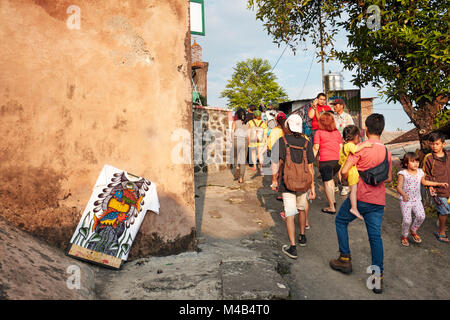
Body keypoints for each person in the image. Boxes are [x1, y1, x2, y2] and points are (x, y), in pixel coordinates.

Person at [329, 113, 392, 294]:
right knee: (375, 238)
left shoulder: (361, 149)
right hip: (378, 201)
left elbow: (345, 171)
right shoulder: (386, 151)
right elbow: (388, 178)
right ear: (382, 130)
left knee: (341, 221)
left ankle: (345, 258)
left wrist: (354, 177)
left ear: (366, 129)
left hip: (360, 197)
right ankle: (376, 278)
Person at [272, 114, 316, 258]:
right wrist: (313, 187)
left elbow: (276, 163)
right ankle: (302, 236)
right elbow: (310, 167)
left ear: (288, 126)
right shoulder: (307, 143)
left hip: (287, 182)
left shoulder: (281, 141)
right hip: (304, 183)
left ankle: (292, 247)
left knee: (290, 212)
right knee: (302, 209)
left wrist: (274, 179)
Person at [397, 152, 448, 246]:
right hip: (405, 201)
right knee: (407, 220)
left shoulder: (420, 172)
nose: (416, 163)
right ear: (406, 163)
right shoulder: (403, 173)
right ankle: (404, 236)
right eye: (412, 162)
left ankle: (413, 230)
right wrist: (403, 194)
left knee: (421, 216)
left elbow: (424, 182)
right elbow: (399, 187)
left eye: (417, 161)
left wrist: (438, 184)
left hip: (417, 200)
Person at [338, 125, 373, 220]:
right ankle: (354, 208)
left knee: (354, 189)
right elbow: (356, 150)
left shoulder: (343, 146)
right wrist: (365, 145)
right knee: (353, 190)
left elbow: (341, 162)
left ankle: (354, 206)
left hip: (346, 170)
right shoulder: (350, 145)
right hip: (352, 170)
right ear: (355, 136)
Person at [423, 131, 450, 243]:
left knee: (444, 210)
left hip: (449, 188)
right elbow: (425, 175)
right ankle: (442, 232)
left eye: (437, 144)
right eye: (432, 144)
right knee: (444, 211)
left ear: (443, 144)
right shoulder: (428, 158)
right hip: (437, 190)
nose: (434, 146)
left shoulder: (449, 155)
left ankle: (440, 229)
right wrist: (429, 187)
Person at [313, 112, 342, 214]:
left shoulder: (318, 132)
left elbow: (316, 147)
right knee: (331, 181)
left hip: (326, 161)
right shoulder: (337, 132)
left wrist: (309, 160)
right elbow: (340, 147)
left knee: (327, 182)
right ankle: (333, 201)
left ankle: (331, 207)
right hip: (337, 161)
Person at [331, 98, 355, 196]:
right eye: (334, 105)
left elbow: (352, 130)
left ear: (341, 106)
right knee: (335, 164)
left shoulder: (347, 117)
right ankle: (335, 185)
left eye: (336, 105)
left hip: (345, 144)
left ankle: (345, 186)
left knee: (345, 165)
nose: (334, 107)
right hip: (334, 144)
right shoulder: (332, 117)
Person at [231, 107, 249, 184]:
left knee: (234, 156)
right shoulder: (248, 123)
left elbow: (232, 132)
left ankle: (236, 167)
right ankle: (241, 178)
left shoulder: (235, 122)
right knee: (242, 160)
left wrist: (232, 141)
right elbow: (248, 134)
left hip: (236, 140)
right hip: (244, 141)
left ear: (237, 115)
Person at [248, 110, 267, 175]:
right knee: (260, 154)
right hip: (261, 141)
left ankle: (255, 166)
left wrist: (248, 140)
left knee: (253, 154)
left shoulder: (250, 122)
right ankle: (261, 169)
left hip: (253, 141)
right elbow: (265, 134)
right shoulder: (263, 123)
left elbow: (249, 132)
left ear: (254, 115)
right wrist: (265, 141)